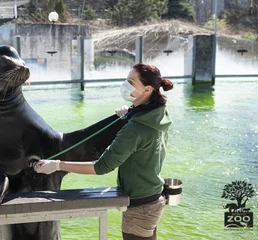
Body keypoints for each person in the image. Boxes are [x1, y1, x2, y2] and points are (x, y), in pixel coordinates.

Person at [34, 63, 174, 240]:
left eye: (131, 82)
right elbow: (145, 134)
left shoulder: (134, 129)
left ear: (147, 89)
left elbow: (102, 167)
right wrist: (131, 112)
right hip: (153, 197)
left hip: (140, 208)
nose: (126, 85)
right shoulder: (159, 114)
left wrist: (57, 165)